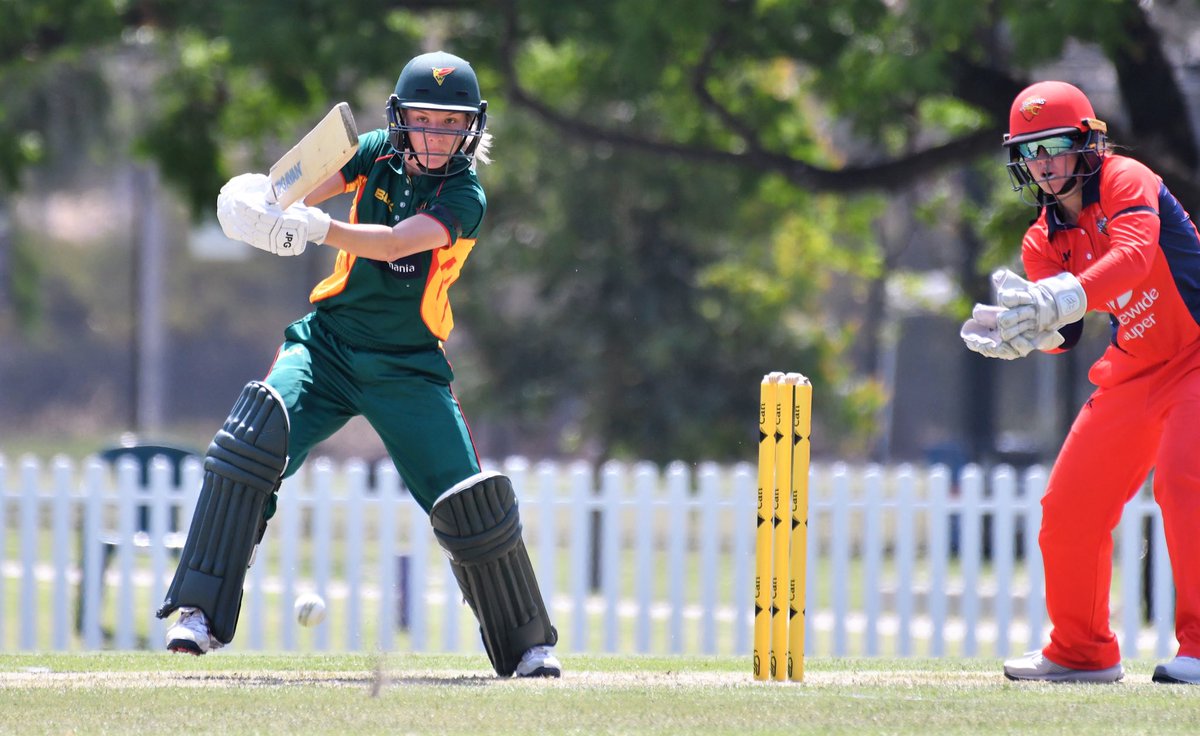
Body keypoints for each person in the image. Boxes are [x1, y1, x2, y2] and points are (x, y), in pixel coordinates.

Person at [155, 50, 561, 678]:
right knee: (253, 438)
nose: (435, 136)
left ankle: (526, 644)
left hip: (409, 366)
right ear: (400, 121)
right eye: (424, 120)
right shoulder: (374, 151)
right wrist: (260, 203)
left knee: (468, 498)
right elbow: (295, 190)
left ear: (471, 129)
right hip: (329, 345)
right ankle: (199, 613)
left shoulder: (465, 195)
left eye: (451, 124)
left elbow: (397, 243)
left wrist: (317, 228)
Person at [960, 80, 1200, 684]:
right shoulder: (1041, 241)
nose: (1042, 166)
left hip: (1197, 356)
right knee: (1069, 507)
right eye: (1030, 153)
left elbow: (1137, 256)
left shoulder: (1126, 179)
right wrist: (1022, 334)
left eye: (1055, 147)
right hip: (1134, 369)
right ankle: (1081, 651)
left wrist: (1059, 296)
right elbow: (1063, 336)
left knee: (1183, 480)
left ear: (1089, 145)